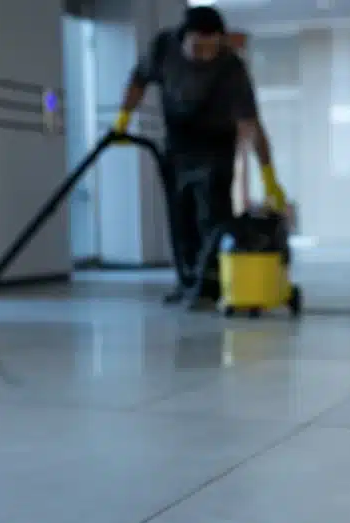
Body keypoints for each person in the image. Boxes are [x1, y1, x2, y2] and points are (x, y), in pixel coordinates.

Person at [112, 6, 286, 307]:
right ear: (184, 38)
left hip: (216, 147)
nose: (207, 55)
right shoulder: (164, 48)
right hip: (177, 146)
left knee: (212, 217)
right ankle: (187, 282)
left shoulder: (231, 68)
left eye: (213, 48)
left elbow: (250, 124)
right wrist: (123, 119)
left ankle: (211, 285)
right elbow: (138, 80)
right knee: (180, 219)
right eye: (199, 48)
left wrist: (269, 176)